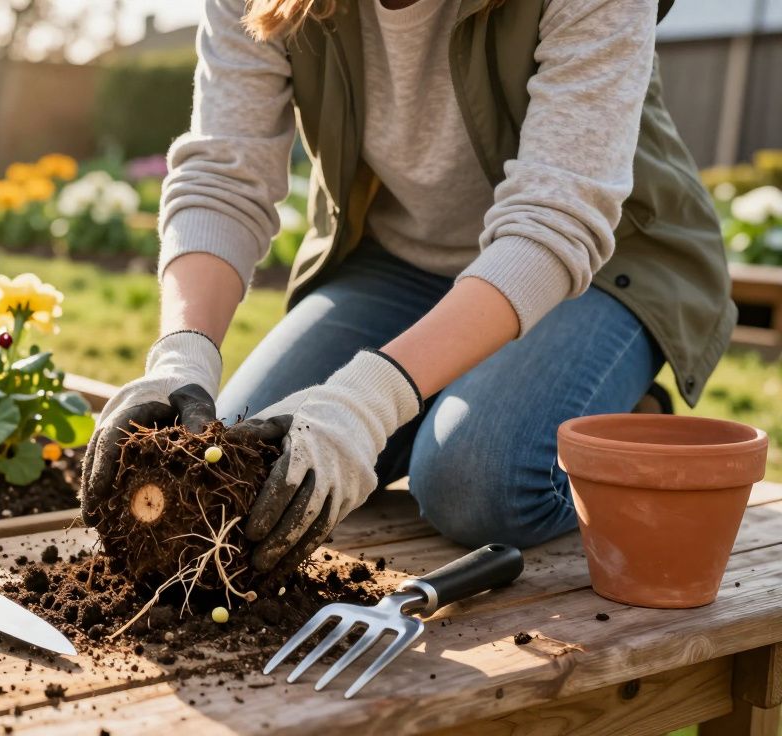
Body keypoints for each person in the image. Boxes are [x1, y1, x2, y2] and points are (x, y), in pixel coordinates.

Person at [81, 0, 732, 573]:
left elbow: (554, 222)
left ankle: (601, 421)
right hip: (399, 264)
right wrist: (181, 357)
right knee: (249, 464)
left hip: (601, 268)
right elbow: (224, 179)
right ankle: (471, 386)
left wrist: (369, 401)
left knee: (473, 482)